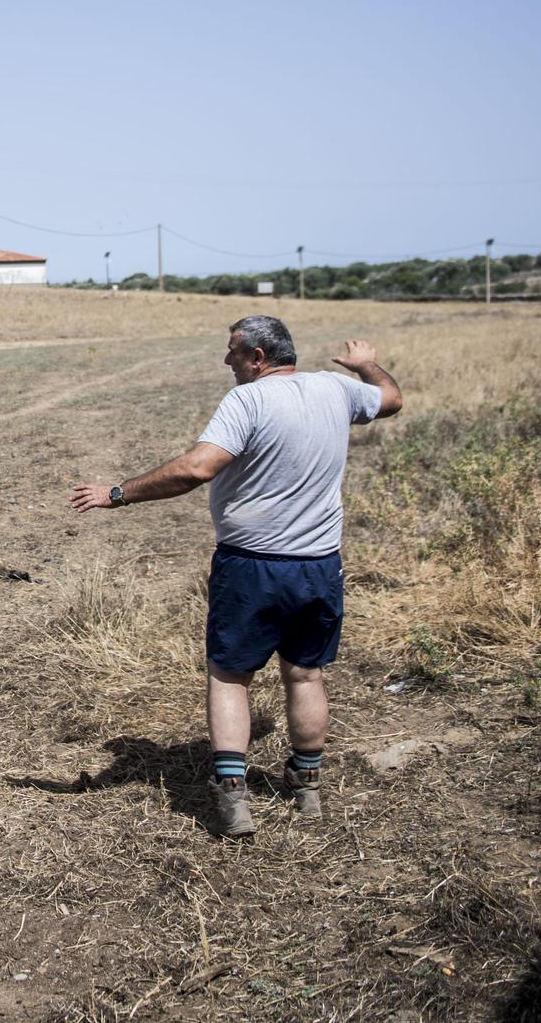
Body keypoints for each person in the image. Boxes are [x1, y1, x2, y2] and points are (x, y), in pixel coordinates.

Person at [71, 317, 402, 837]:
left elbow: (198, 468)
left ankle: (232, 797)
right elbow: (390, 398)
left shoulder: (248, 402)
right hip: (319, 565)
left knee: (229, 677)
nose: (227, 361)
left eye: (232, 352)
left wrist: (118, 493)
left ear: (257, 358)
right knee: (306, 675)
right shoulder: (337, 388)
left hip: (252, 565)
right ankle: (307, 784)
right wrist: (365, 365)